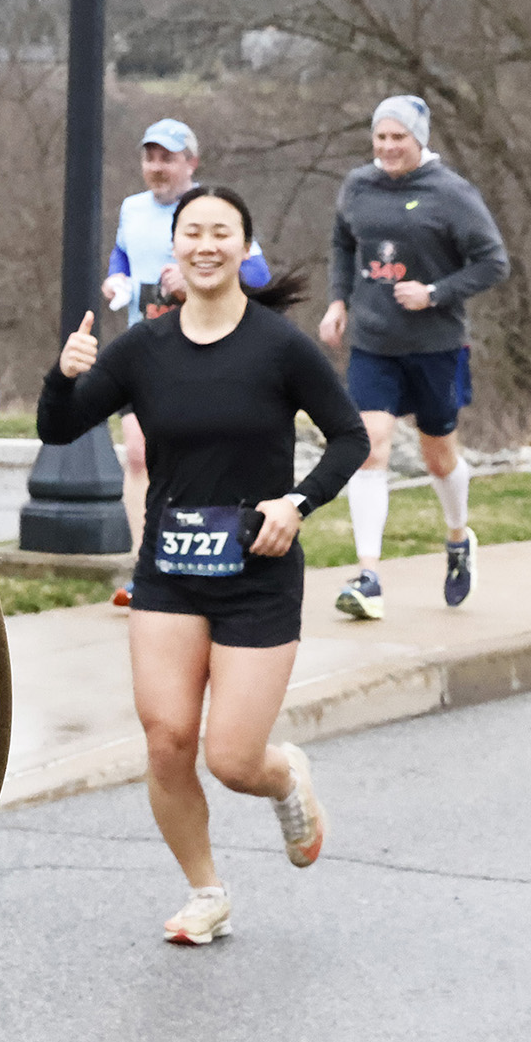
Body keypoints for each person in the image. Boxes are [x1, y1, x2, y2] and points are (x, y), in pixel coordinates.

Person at [40, 185, 367, 945]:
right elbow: (59, 428)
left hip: (258, 572)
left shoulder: (280, 346)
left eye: (222, 232)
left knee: (233, 759)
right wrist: (63, 373)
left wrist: (297, 503)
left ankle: (286, 778)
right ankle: (205, 891)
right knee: (167, 741)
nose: (206, 245)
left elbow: (350, 436)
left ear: (245, 248)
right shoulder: (144, 348)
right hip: (169, 572)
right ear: (173, 248)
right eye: (193, 232)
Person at [321, 94, 510, 619]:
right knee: (369, 447)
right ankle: (368, 577)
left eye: (397, 137)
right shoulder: (358, 185)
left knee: (438, 457)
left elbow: (493, 262)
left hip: (435, 346)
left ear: (419, 139)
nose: (387, 147)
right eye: (380, 136)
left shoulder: (451, 193)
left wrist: (435, 293)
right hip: (374, 343)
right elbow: (342, 243)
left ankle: (458, 538)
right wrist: (338, 301)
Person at [100, 120, 273, 601]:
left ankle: (210, 554)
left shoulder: (210, 210)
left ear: (190, 162)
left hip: (203, 347)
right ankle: (144, 565)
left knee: (197, 456)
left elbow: (260, 273)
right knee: (139, 455)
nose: (157, 167)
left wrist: (191, 280)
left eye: (168, 158)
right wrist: (116, 278)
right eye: (150, 157)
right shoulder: (132, 208)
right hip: (144, 347)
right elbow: (122, 253)